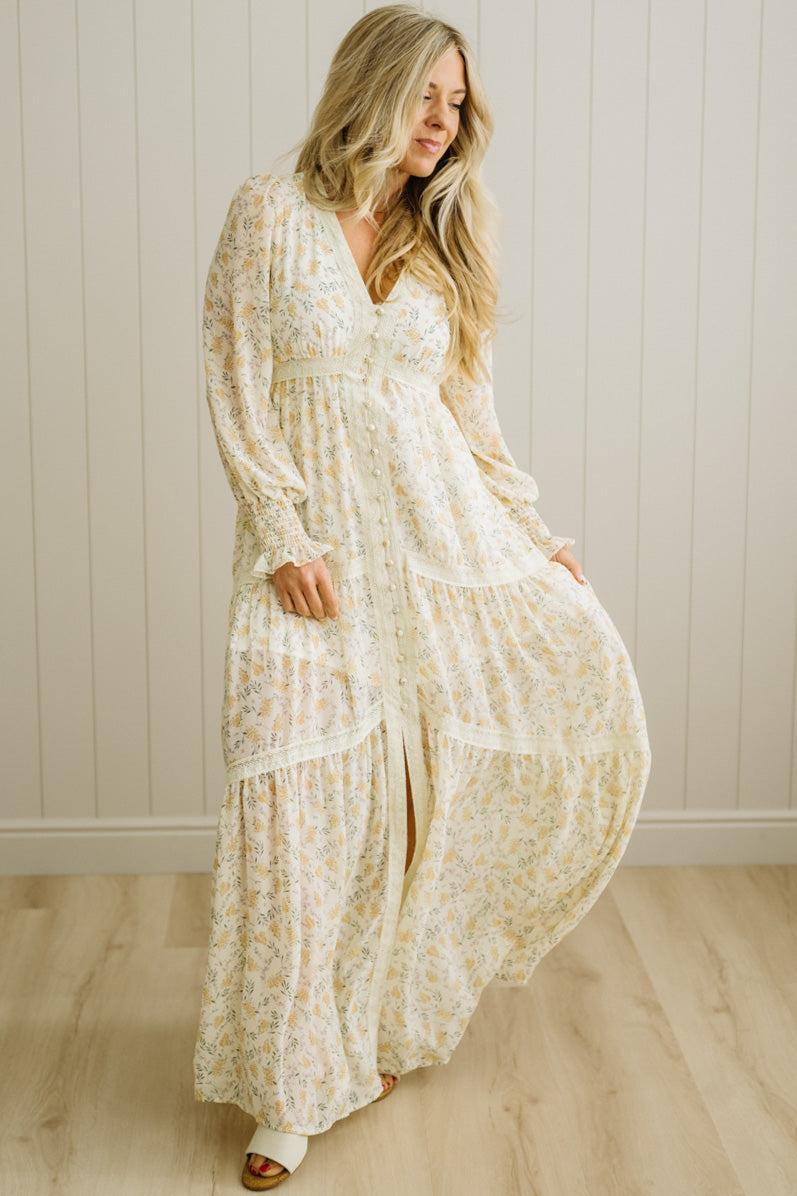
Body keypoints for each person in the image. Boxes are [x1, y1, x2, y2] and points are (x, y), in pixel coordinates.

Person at [193, 4, 652, 1189]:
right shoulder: (267, 215)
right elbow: (236, 384)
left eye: (460, 103)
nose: (446, 122)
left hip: (433, 557)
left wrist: (534, 536)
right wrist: (281, 533)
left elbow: (468, 420)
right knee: (293, 809)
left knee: (407, 815)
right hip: (308, 568)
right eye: (429, 96)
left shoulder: (448, 241)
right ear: (373, 85)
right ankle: (292, 1084)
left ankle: (376, 1025)